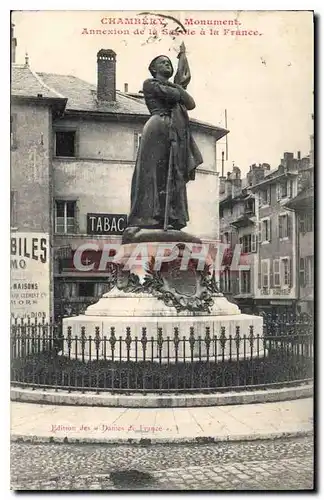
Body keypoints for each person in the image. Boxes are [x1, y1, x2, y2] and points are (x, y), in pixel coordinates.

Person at [128, 46, 203, 231]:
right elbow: (177, 96)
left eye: (169, 62)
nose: (167, 64)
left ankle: (171, 216)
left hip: (174, 130)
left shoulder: (170, 85)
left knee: (173, 173)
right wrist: (179, 88)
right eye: (163, 62)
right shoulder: (150, 83)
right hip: (157, 128)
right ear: (154, 69)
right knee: (153, 174)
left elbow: (191, 103)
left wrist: (178, 88)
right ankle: (148, 217)